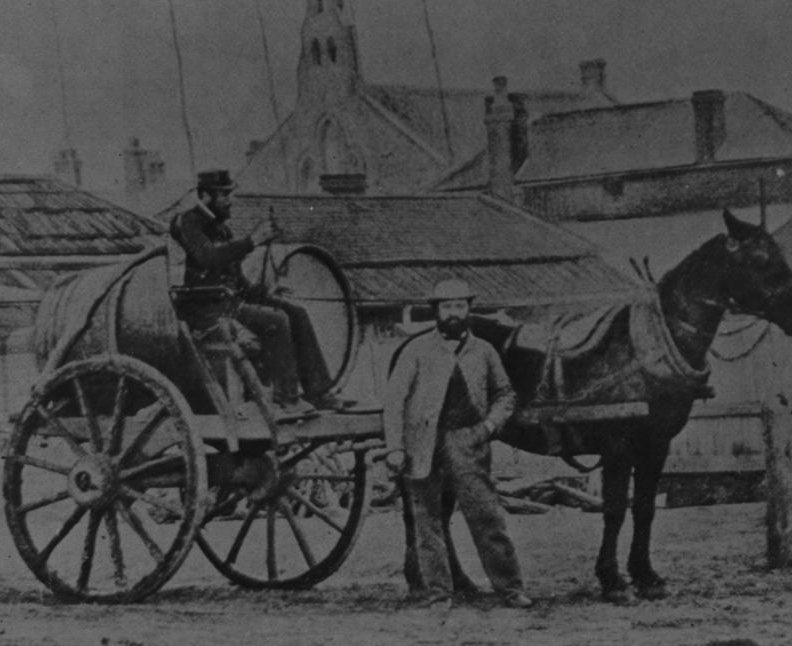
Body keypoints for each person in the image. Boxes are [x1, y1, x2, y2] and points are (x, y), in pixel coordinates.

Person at [382, 278, 532, 610]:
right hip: (422, 443)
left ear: (468, 310)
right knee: (428, 521)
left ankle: (510, 589)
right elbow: (394, 402)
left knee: (486, 515)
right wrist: (395, 447)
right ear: (436, 311)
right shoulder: (416, 350)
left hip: (468, 440)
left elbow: (505, 393)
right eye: (447, 307)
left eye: (460, 306)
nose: (454, 313)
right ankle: (438, 593)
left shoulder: (484, 351)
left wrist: (490, 425)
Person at [170, 169, 348, 415]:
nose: (229, 200)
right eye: (224, 195)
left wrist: (261, 293)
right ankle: (288, 397)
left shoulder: (221, 229)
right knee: (276, 321)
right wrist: (252, 241)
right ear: (205, 196)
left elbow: (235, 279)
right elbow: (208, 257)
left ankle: (318, 392)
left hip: (226, 303)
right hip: (203, 309)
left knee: (296, 312)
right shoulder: (186, 223)